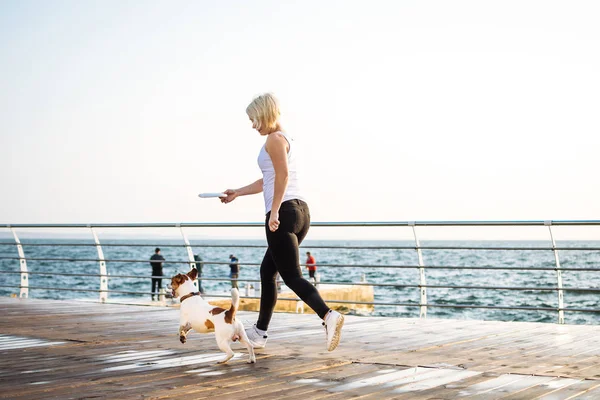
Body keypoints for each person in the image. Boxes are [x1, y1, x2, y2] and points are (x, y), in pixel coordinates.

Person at [220, 93, 344, 352]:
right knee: (268, 272)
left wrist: (274, 211)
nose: (253, 125)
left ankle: (328, 315)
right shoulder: (284, 139)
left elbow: (283, 176)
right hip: (299, 211)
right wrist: (237, 193)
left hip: (284, 212)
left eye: (254, 119)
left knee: (291, 276)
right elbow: (268, 178)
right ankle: (259, 333)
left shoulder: (274, 139)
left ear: (265, 113)